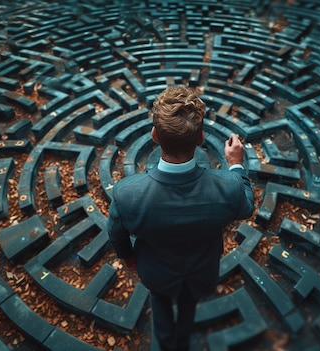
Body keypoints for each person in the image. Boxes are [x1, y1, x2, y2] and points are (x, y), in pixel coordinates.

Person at [107, 86, 255, 351]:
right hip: (202, 270)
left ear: (154, 135)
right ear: (201, 138)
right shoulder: (227, 187)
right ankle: (183, 341)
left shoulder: (127, 193)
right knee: (188, 306)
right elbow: (246, 206)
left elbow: (117, 233)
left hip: (156, 271)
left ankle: (163, 342)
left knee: (161, 300)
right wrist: (235, 165)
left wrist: (129, 257)